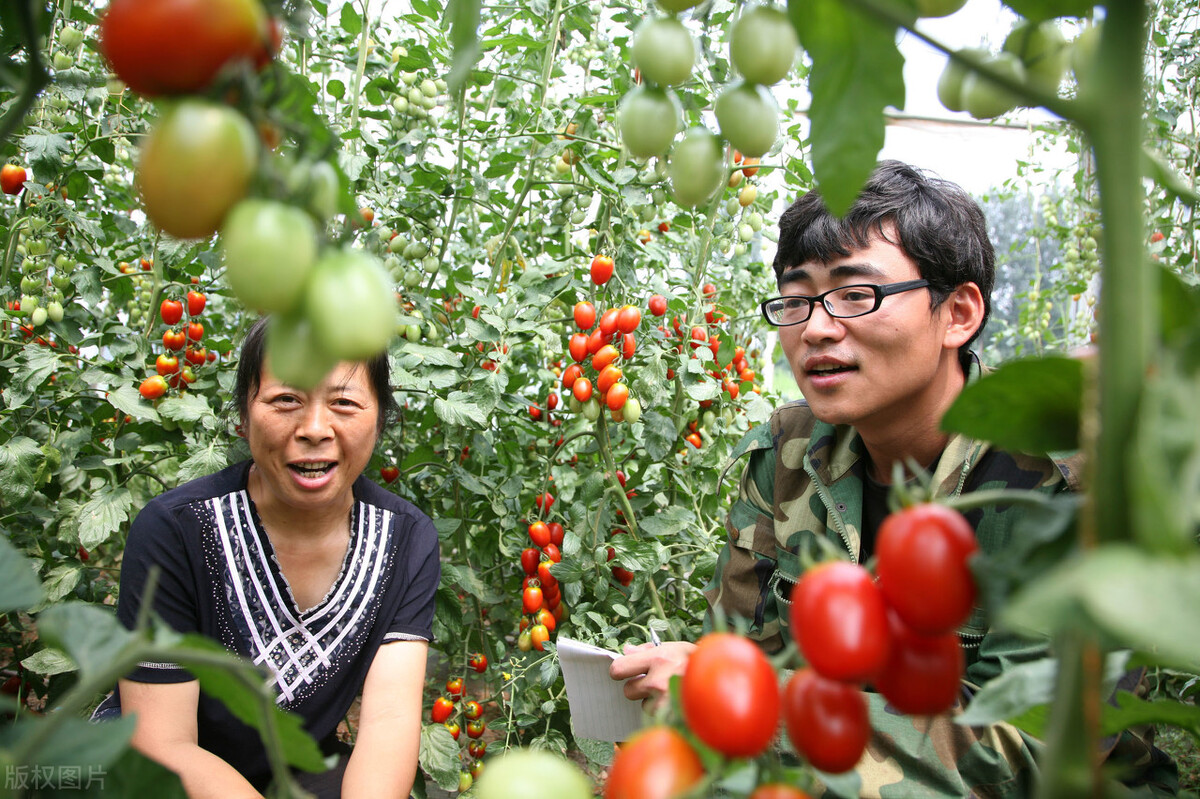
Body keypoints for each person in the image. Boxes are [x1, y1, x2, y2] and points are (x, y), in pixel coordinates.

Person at [610, 161, 1176, 796]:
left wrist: (745, 704)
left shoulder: (1064, 490)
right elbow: (740, 645)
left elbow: (1028, 755)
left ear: (958, 313)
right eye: (796, 300)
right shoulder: (791, 453)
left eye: (856, 294)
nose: (816, 328)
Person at [92, 316, 440, 798]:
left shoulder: (405, 541)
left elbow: (388, 723)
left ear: (380, 417)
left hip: (291, 768)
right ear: (244, 414)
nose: (314, 429)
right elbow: (163, 742)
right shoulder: (176, 530)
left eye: (343, 402)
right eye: (286, 400)